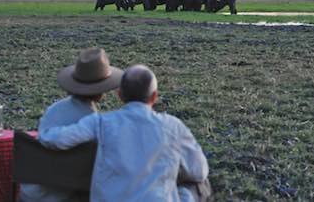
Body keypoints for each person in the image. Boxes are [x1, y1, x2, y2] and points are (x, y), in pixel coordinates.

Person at [39, 64, 209, 202]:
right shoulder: (173, 126)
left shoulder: (100, 122)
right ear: (154, 96)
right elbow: (199, 171)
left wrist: (45, 130)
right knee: (201, 185)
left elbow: (54, 139)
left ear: (120, 95)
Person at [19, 47, 123, 202]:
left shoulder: (54, 109)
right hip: (64, 194)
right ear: (102, 89)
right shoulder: (90, 120)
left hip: (32, 192)